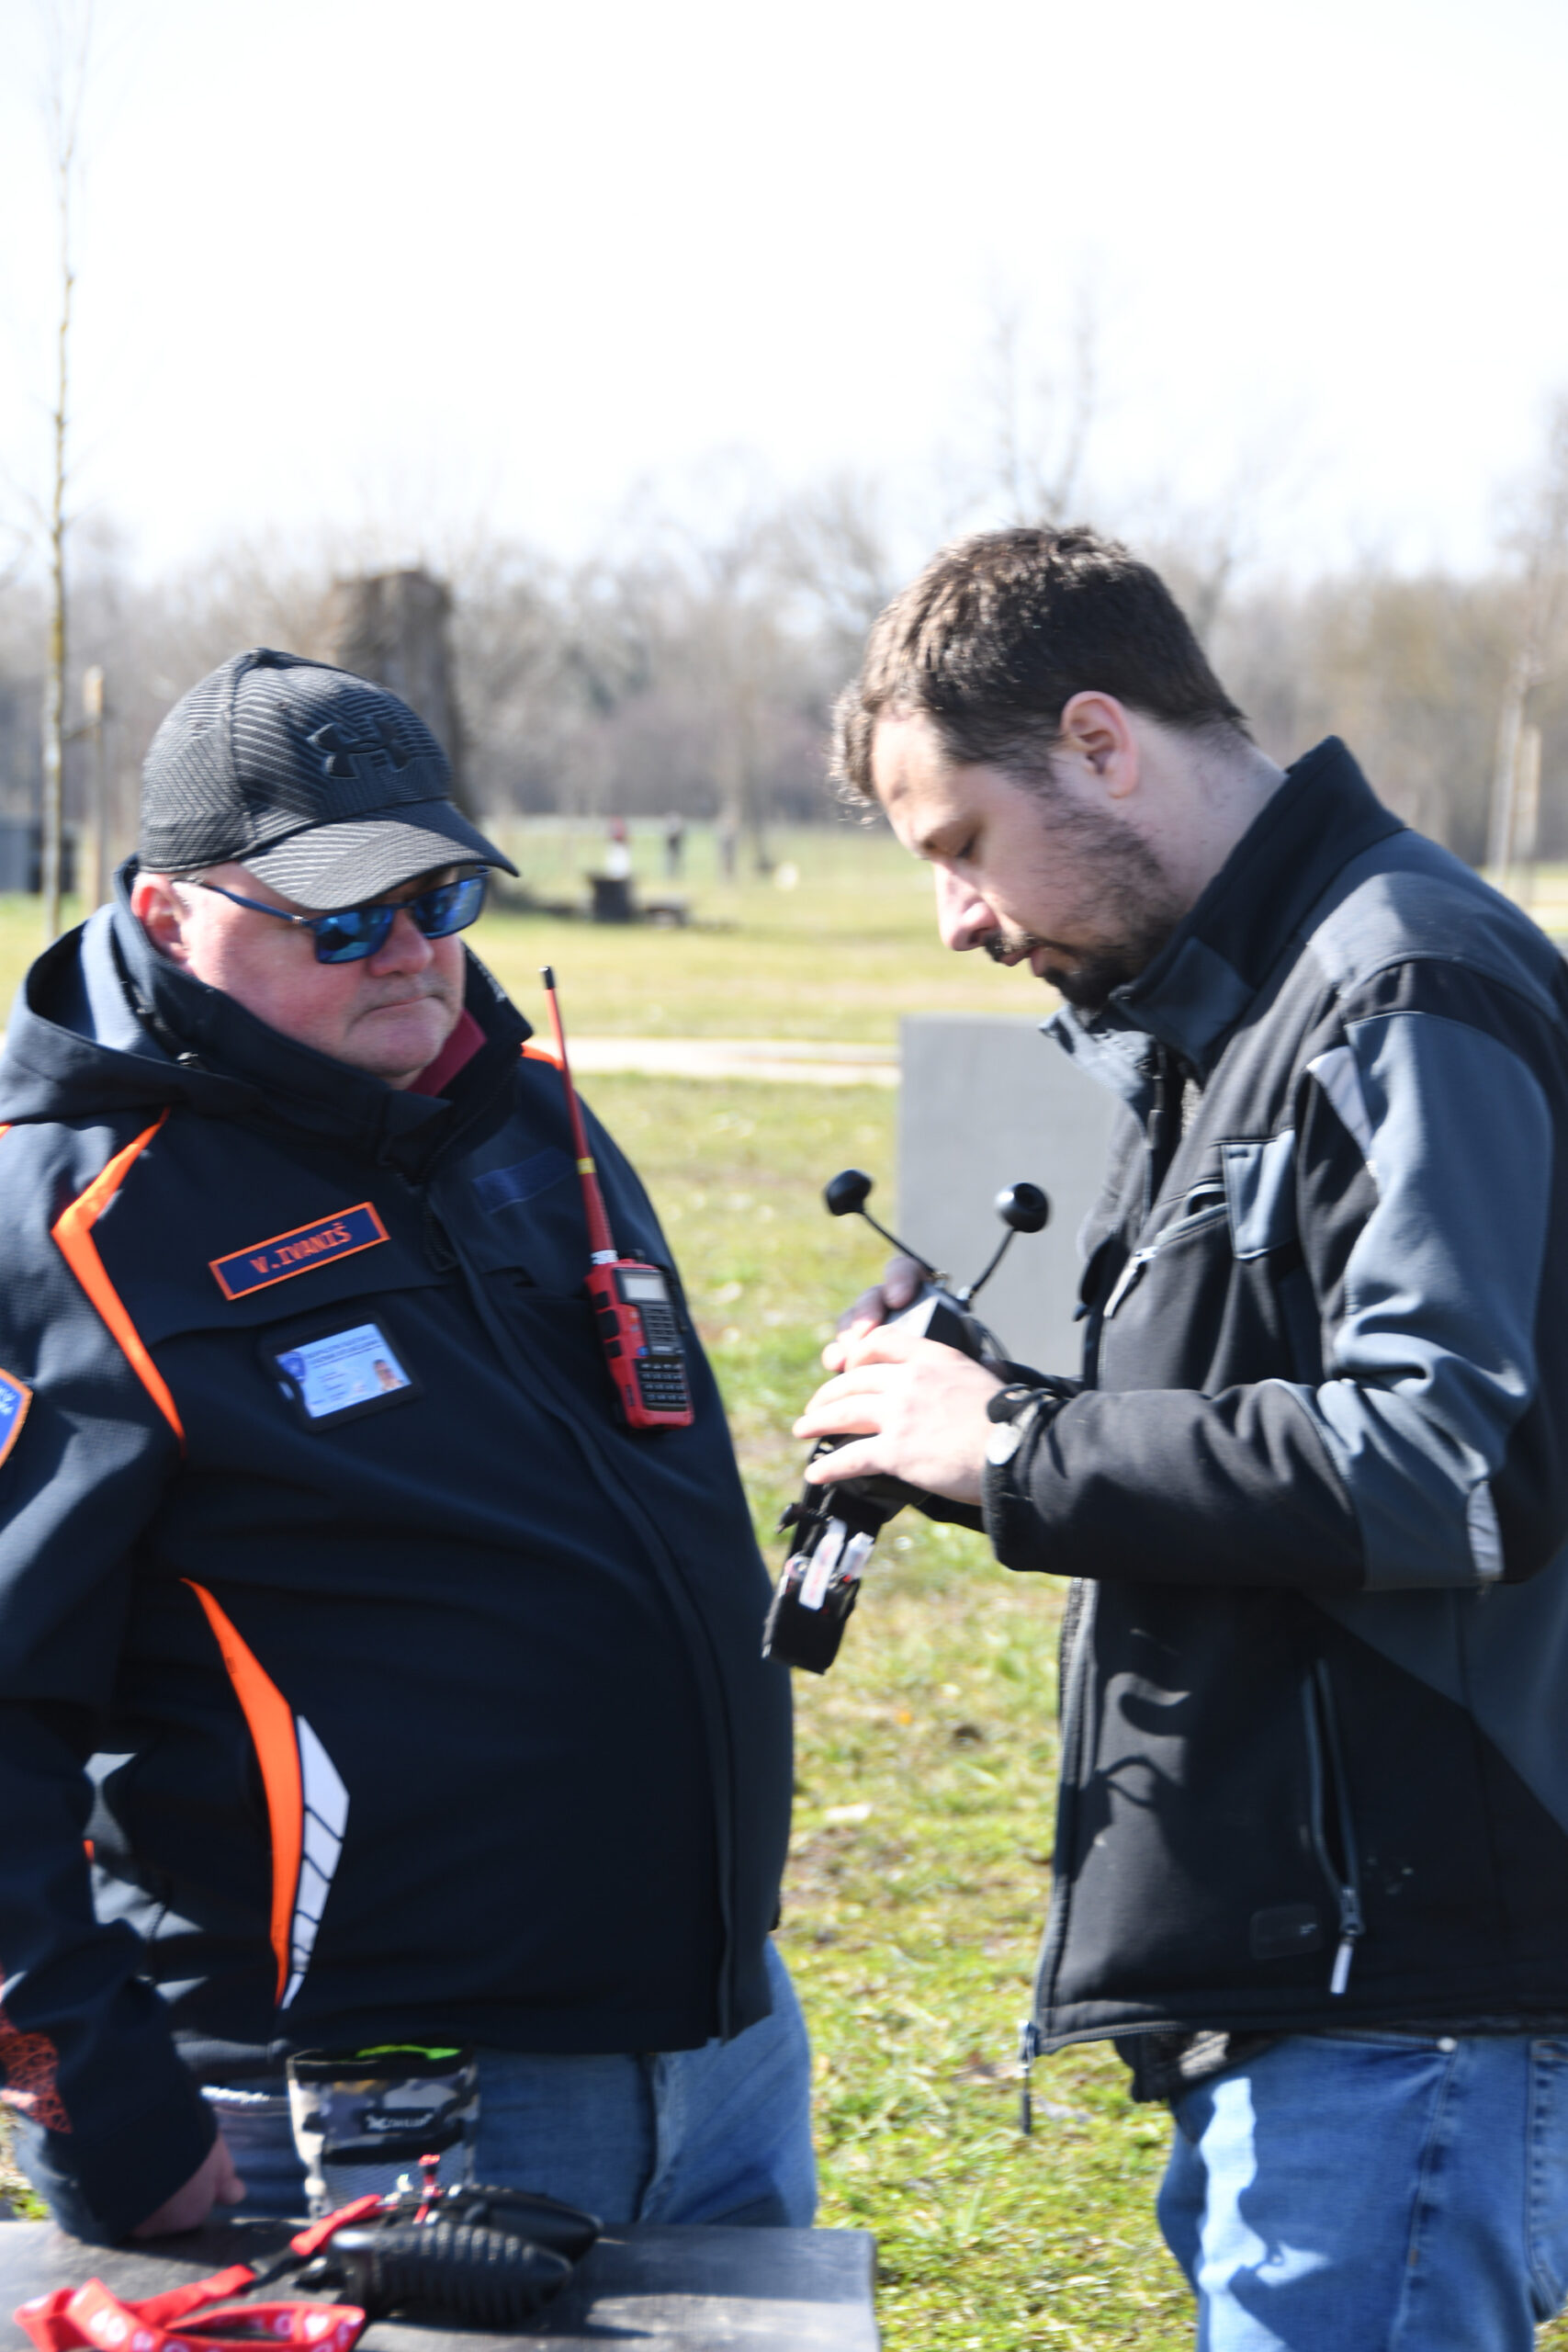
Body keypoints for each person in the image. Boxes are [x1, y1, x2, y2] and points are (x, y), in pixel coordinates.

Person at [795, 526, 1568, 2347]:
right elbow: (1227, 1386)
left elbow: (1457, 1461)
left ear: (1099, 741)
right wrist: (974, 1384)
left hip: (1406, 1986)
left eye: (961, 845)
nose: (957, 917)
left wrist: (1015, 1447)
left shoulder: (1400, 980)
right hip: (1293, 1973)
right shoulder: (1199, 1011)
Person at [0, 649, 810, 2243]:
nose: (410, 955)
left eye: (440, 899)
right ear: (168, 915)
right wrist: (100, 2112)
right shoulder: (73, 1228)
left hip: (722, 2046)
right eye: (339, 918)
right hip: (385, 2113)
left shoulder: (527, 1115)